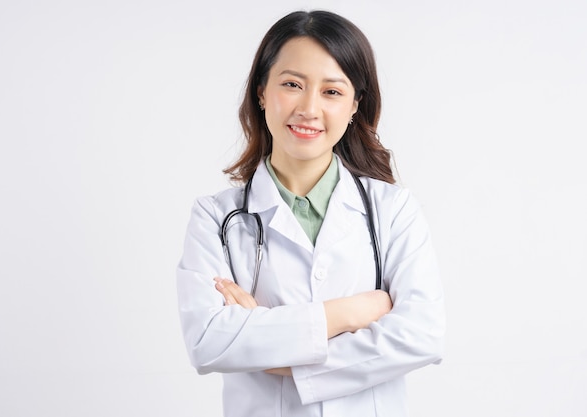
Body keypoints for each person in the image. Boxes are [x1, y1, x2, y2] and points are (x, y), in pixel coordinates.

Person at [176, 9, 445, 417]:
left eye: (332, 92)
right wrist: (352, 313)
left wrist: (274, 352)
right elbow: (209, 343)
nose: (309, 107)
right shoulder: (215, 219)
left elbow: (421, 335)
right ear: (262, 91)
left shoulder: (392, 210)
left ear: (356, 104)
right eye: (291, 84)